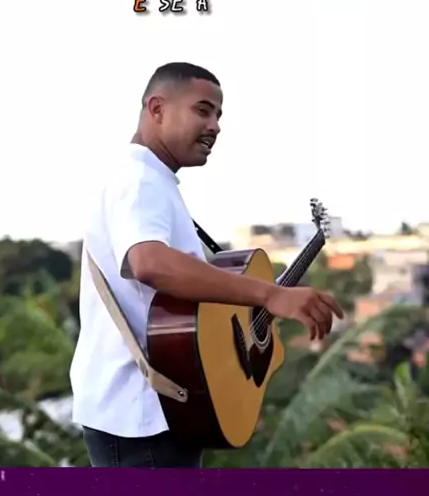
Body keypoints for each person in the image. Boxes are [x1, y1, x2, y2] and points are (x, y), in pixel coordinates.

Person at [70, 62, 343, 468]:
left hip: (160, 410)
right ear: (157, 109)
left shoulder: (150, 179)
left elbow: (180, 301)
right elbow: (149, 262)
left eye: (218, 115)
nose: (215, 126)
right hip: (141, 420)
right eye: (203, 110)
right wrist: (270, 294)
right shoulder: (139, 179)